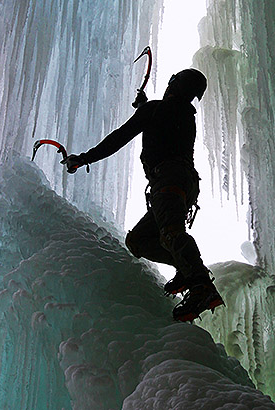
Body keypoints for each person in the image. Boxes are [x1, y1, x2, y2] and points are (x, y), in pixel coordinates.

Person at [62, 68, 223, 322]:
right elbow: (165, 127)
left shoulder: (155, 112)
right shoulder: (183, 116)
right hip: (184, 184)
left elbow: (118, 139)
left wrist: (84, 158)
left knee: (171, 233)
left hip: (167, 181)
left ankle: (201, 286)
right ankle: (186, 268)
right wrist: (145, 109)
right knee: (138, 240)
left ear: (174, 85)